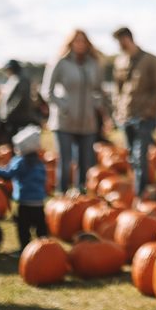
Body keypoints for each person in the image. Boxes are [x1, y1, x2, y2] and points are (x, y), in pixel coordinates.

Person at [42, 29, 105, 193]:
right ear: (70, 43)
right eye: (77, 41)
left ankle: (81, 193)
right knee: (65, 160)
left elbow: (98, 89)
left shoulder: (93, 64)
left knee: (86, 161)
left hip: (87, 120)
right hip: (64, 120)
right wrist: (62, 105)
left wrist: (96, 104)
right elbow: (46, 91)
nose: (80, 44)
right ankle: (62, 193)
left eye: (83, 41)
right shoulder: (60, 62)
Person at [112, 27, 156, 198]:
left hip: (144, 116)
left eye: (121, 41)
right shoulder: (120, 61)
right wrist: (117, 109)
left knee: (140, 155)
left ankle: (141, 193)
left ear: (128, 38)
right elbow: (117, 89)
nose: (119, 45)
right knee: (131, 156)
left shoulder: (150, 60)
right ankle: (138, 188)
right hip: (125, 115)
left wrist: (149, 110)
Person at [0, 125, 47, 252]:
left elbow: (8, 174)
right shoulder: (39, 163)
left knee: (23, 227)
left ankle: (25, 248)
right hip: (38, 202)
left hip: (25, 202)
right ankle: (45, 247)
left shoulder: (20, 162)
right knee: (41, 226)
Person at [0, 60, 35, 141]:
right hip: (12, 118)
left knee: (18, 142)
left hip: (18, 119)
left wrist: (9, 112)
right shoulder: (13, 79)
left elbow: (19, 99)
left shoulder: (21, 79)